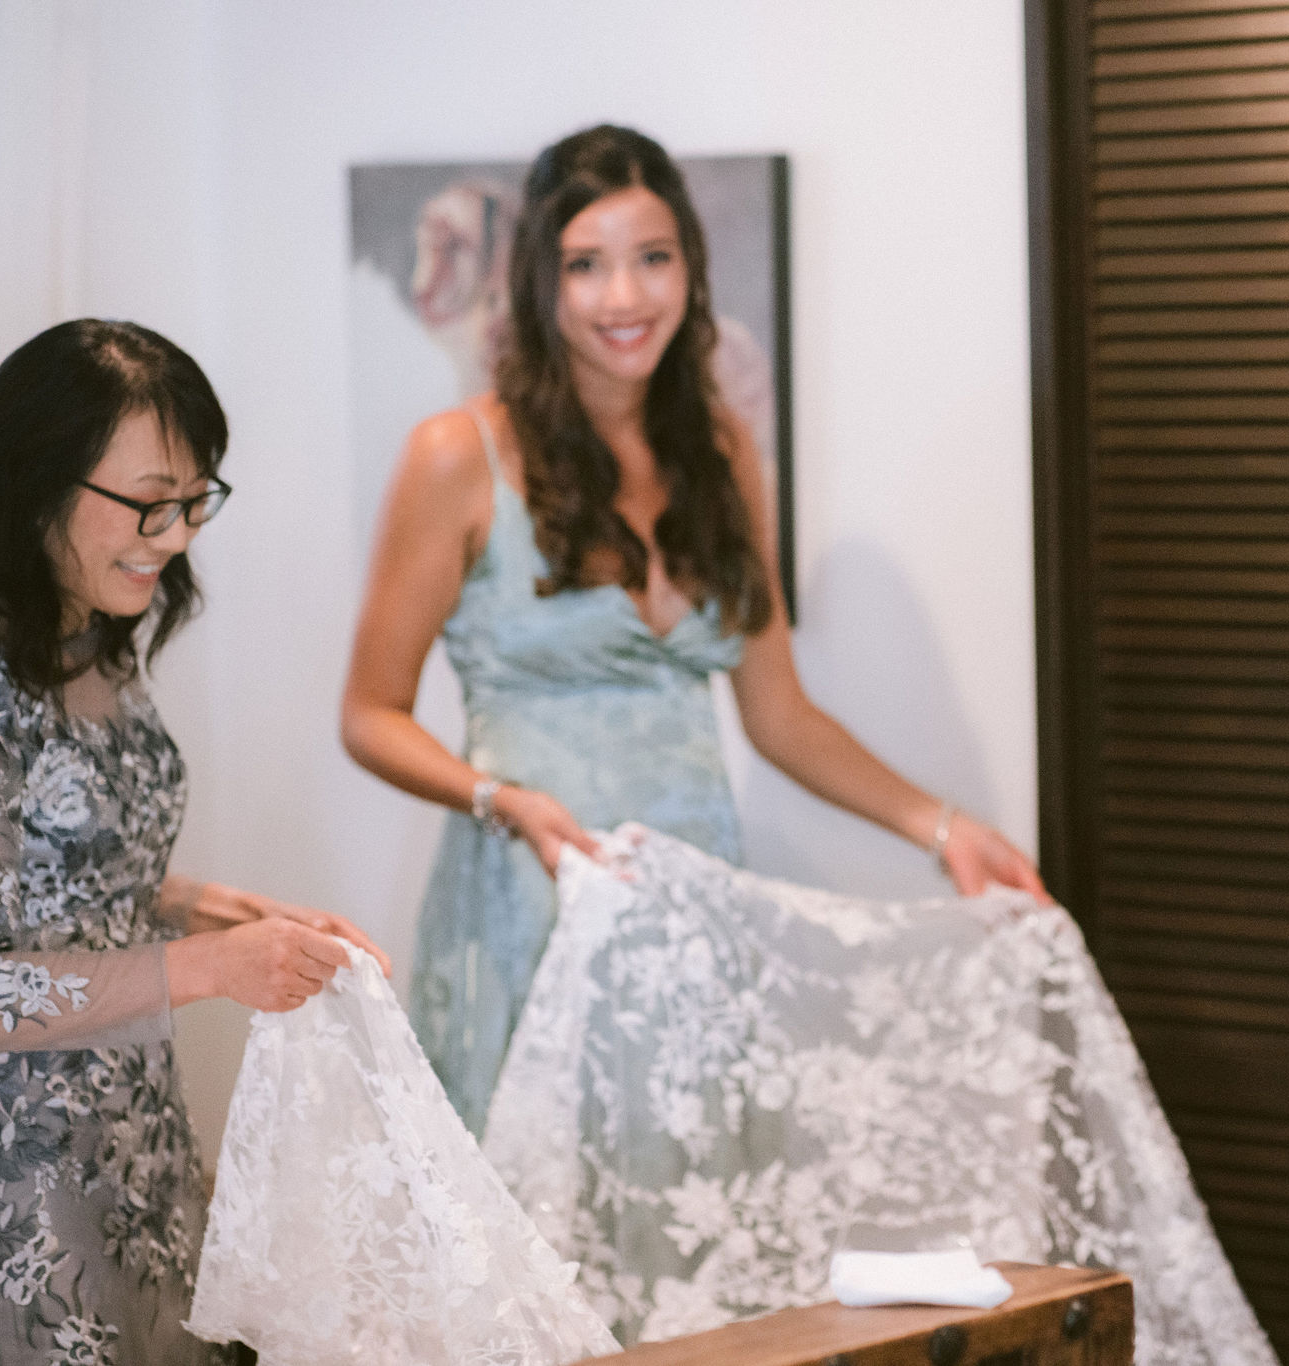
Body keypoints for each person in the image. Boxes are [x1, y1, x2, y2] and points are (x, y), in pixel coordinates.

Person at [341, 124, 1047, 1139]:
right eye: (586, 265)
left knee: (690, 1201)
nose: (625, 297)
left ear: (690, 269)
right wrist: (503, 800)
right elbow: (369, 714)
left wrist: (946, 828)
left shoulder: (720, 449)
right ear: (538, 280)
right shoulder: (456, 454)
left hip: (695, 908)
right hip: (532, 901)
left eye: (653, 258)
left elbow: (781, 716)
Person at [0, 320, 388, 1364]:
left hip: (133, 1120)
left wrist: (228, 911)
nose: (175, 536)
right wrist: (216, 965)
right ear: (37, 483)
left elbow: (79, 869)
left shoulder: (90, 632)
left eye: (194, 500)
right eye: (149, 503)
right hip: (17, 1162)